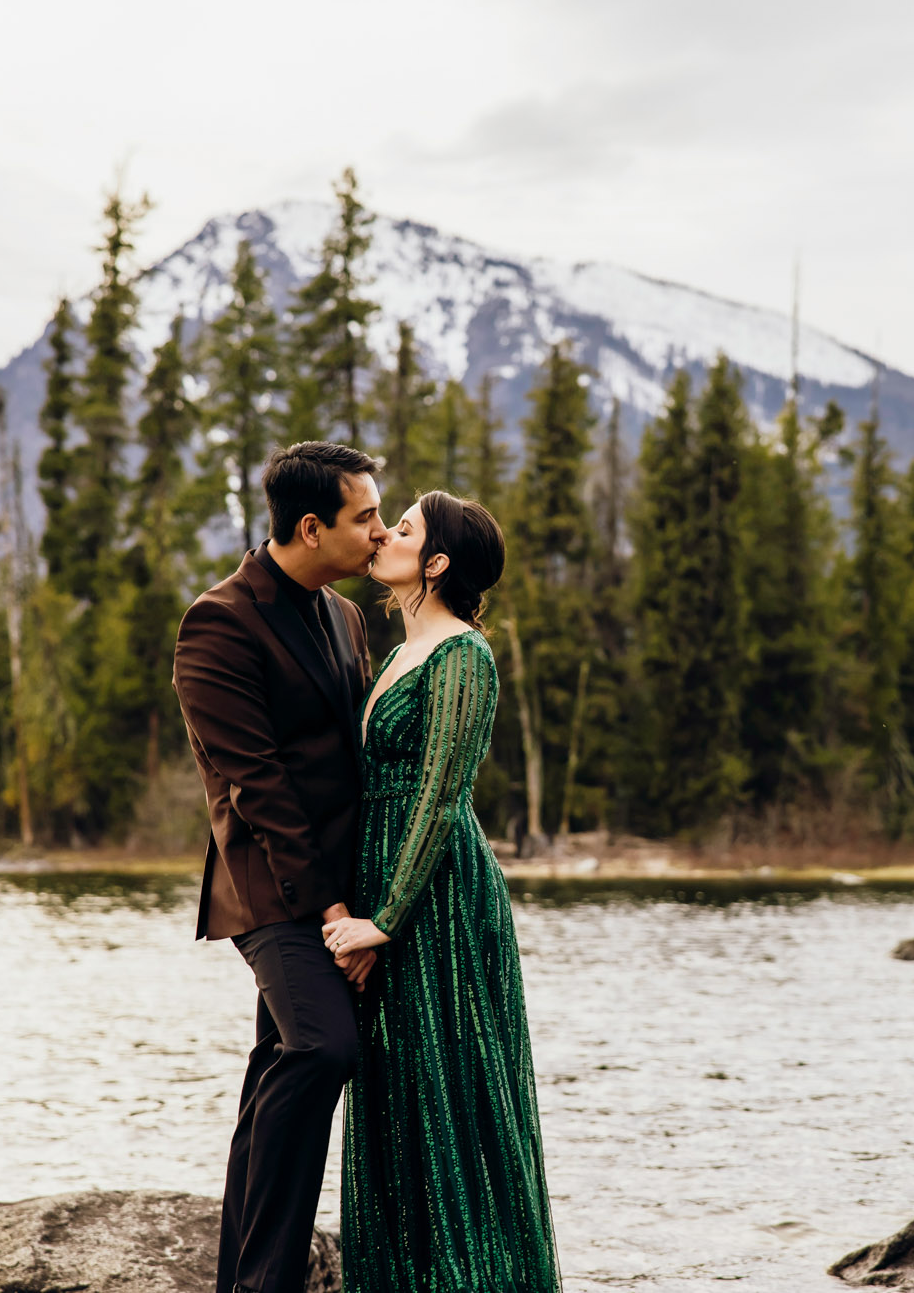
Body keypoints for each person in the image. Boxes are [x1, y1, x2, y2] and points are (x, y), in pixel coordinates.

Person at [322, 490, 561, 1293]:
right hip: (385, 893)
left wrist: (384, 921)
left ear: (437, 563)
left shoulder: (464, 656)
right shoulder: (394, 652)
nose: (385, 534)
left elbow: (440, 794)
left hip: (439, 905)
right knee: (394, 1100)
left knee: (450, 1097)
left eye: (407, 529)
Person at [171, 441, 388, 1293]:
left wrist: (372, 903)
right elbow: (255, 786)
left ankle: (245, 1282)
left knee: (277, 1072)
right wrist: (334, 912)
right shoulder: (218, 621)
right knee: (325, 1049)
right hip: (271, 892)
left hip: (343, 894)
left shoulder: (343, 617)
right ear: (311, 526)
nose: (377, 531)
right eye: (364, 516)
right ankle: (268, 1283)